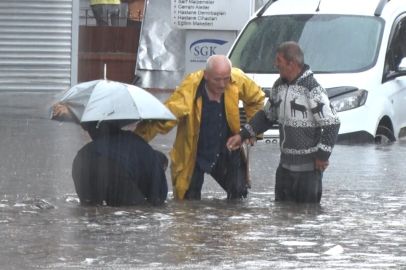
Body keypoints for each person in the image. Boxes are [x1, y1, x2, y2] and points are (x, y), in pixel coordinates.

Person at [134, 55, 265, 200]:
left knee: (240, 196)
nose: (222, 84)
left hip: (226, 151)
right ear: (206, 75)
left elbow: (257, 99)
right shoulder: (190, 88)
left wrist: (250, 131)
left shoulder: (237, 79)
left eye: (226, 79)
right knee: (188, 204)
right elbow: (163, 118)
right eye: (217, 79)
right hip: (195, 154)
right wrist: (135, 141)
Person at [227, 41, 341, 203]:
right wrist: (243, 134)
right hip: (284, 170)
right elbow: (267, 116)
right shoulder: (279, 86)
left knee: (307, 220)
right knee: (282, 219)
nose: (275, 64)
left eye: (278, 60)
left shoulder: (312, 89)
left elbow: (332, 124)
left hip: (308, 172)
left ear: (292, 63)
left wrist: (322, 156)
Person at [52, 103, 168, 206]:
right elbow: (158, 198)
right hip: (115, 170)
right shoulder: (154, 163)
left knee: (89, 212)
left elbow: (98, 126)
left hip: (83, 159)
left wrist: (75, 114)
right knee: (132, 214)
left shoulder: (124, 139)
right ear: (163, 166)